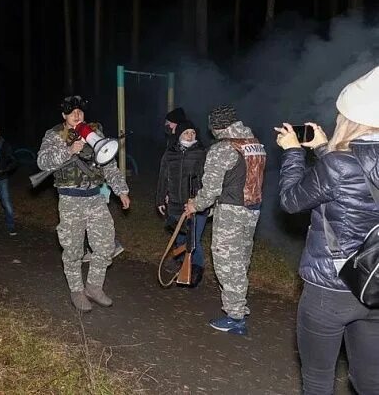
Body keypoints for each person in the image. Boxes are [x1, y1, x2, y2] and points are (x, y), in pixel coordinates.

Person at [276, 66, 379, 394]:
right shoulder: (340, 164)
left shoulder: (339, 164)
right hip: (374, 286)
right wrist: (323, 150)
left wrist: (293, 152)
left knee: (318, 379)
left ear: (353, 119)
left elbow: (292, 200)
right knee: (369, 382)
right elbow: (356, 182)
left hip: (331, 289)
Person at [37, 95, 130, 312]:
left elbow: (109, 166)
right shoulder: (54, 135)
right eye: (72, 112)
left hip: (96, 198)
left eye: (80, 111)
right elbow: (42, 162)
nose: (77, 115)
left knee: (106, 246)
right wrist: (69, 150)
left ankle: (94, 287)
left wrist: (121, 190)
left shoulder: (95, 132)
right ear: (64, 116)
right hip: (70, 200)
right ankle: (77, 291)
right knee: (73, 250)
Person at [184, 105, 266, 335]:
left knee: (227, 263)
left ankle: (235, 317)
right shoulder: (255, 143)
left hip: (231, 213)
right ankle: (239, 304)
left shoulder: (222, 149)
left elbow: (210, 190)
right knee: (240, 260)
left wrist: (195, 205)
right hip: (252, 210)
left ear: (215, 126)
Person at [156, 120, 207, 287]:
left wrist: (206, 202)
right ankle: (181, 265)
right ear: (179, 135)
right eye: (187, 133)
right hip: (175, 204)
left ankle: (196, 271)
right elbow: (163, 177)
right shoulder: (170, 153)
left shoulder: (201, 153)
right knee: (180, 238)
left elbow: (209, 180)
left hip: (196, 204)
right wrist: (160, 198)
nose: (190, 135)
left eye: (193, 132)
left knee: (194, 240)